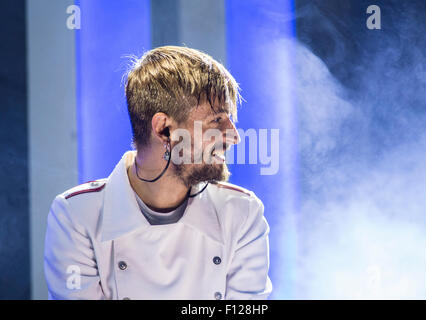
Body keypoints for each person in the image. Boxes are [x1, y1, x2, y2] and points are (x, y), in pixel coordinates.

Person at [44, 46, 272, 300]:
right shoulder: (76, 216)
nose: (235, 137)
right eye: (217, 120)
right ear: (164, 130)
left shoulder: (242, 213)